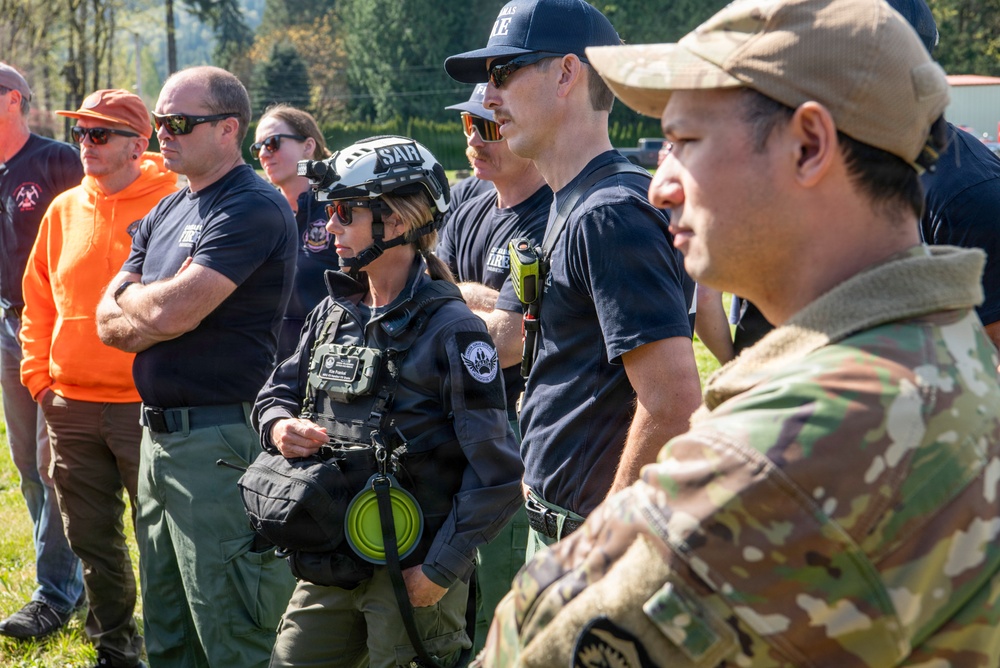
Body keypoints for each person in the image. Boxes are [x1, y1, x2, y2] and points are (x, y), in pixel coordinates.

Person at [476, 0, 1000, 665]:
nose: (661, 184)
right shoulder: (944, 346)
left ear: (809, 147)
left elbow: (535, 649)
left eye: (684, 143)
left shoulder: (791, 449)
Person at [253, 135, 523, 668]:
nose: (329, 226)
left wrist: (439, 571)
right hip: (331, 557)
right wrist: (280, 426)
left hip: (412, 570)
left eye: (342, 213)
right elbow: (276, 393)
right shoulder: (334, 311)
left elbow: (497, 473)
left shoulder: (455, 332)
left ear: (395, 223)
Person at [444, 0, 702, 551]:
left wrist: (604, 546)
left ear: (566, 73)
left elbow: (673, 403)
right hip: (563, 526)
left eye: (504, 73)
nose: (488, 98)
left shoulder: (608, 214)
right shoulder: (576, 200)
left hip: (591, 536)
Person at [95, 66, 297, 668]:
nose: (163, 134)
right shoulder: (167, 210)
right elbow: (104, 322)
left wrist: (143, 303)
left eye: (179, 123)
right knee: (169, 624)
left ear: (228, 128)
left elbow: (177, 310)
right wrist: (150, 309)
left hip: (220, 443)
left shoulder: (251, 205)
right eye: (160, 122)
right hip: (157, 441)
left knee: (232, 627)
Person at [19, 88, 176, 668]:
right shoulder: (63, 210)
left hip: (148, 406)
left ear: (140, 145)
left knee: (162, 540)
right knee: (90, 540)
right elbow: (37, 302)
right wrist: (41, 381)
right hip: (70, 405)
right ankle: (116, 649)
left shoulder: (175, 203)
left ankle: (173, 648)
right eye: (81, 132)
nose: (85, 143)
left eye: (100, 134)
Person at [438, 83, 550, 652]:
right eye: (466, 125)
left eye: (487, 127)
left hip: (512, 434)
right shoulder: (468, 202)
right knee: (453, 594)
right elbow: (430, 301)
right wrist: (484, 298)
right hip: (455, 425)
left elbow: (507, 343)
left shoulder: (550, 212)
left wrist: (454, 302)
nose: (472, 141)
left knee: (504, 601)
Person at [0, 61, 85, 640]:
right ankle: (66, 579)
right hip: (7, 325)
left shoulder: (59, 160)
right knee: (27, 466)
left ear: (14, 100)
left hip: (56, 327)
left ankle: (56, 593)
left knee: (54, 466)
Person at [252, 103, 341, 361]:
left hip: (328, 362)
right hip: (266, 369)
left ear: (308, 146)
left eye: (272, 143)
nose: (263, 154)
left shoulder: (339, 209)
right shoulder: (258, 214)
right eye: (258, 147)